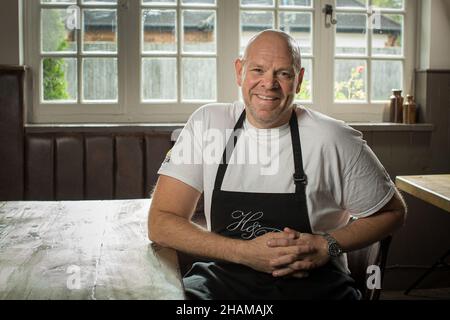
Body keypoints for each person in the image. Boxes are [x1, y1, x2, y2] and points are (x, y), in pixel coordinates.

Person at [148, 29, 407, 300]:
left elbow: (393, 212)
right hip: (222, 281)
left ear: (299, 80)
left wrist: (326, 245)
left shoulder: (333, 138)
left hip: (316, 286)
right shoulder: (207, 124)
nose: (268, 84)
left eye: (283, 73)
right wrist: (244, 253)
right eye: (257, 70)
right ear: (239, 71)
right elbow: (161, 221)